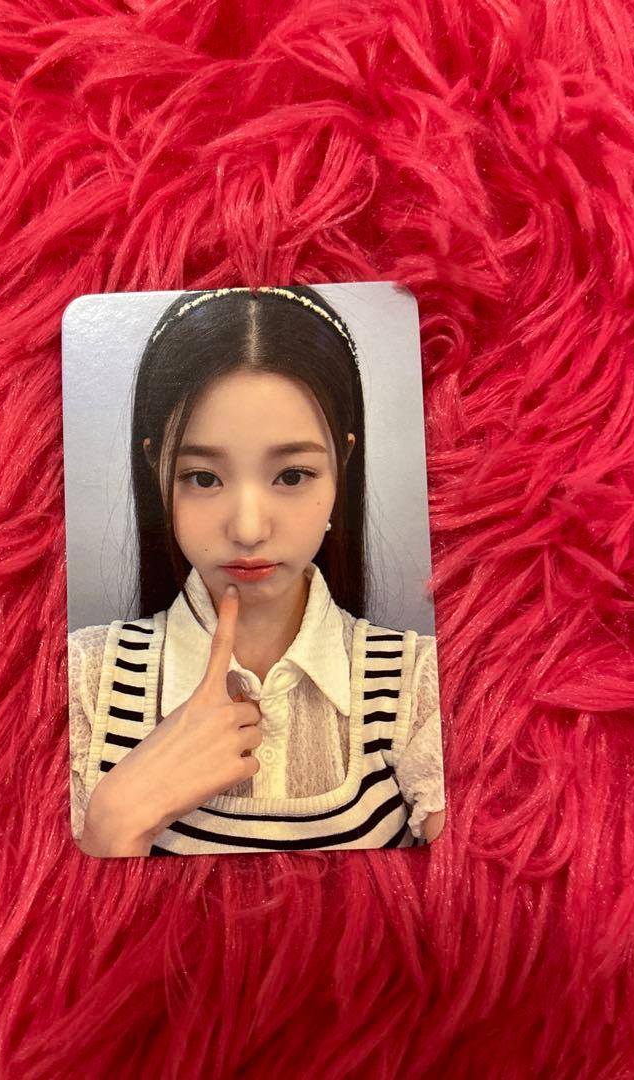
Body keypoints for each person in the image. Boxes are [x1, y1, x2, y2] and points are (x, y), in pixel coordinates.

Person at [68, 285, 446, 856]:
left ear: (341, 464)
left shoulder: (418, 686)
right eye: (203, 478)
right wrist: (116, 822)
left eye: (291, 476)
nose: (247, 529)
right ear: (157, 467)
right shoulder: (83, 680)